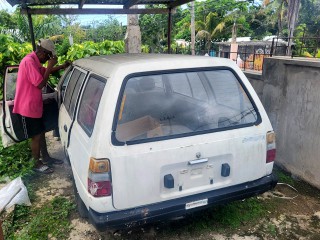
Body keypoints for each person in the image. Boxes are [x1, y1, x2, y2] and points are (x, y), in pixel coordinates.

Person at [13, 38, 71, 174]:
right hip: (27, 106)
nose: (47, 59)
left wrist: (61, 66)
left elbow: (45, 71)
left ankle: (46, 158)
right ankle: (36, 163)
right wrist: (51, 65)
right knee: (36, 135)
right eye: (48, 56)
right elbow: (40, 84)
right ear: (42, 52)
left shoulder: (34, 60)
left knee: (40, 132)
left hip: (34, 104)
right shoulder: (28, 61)